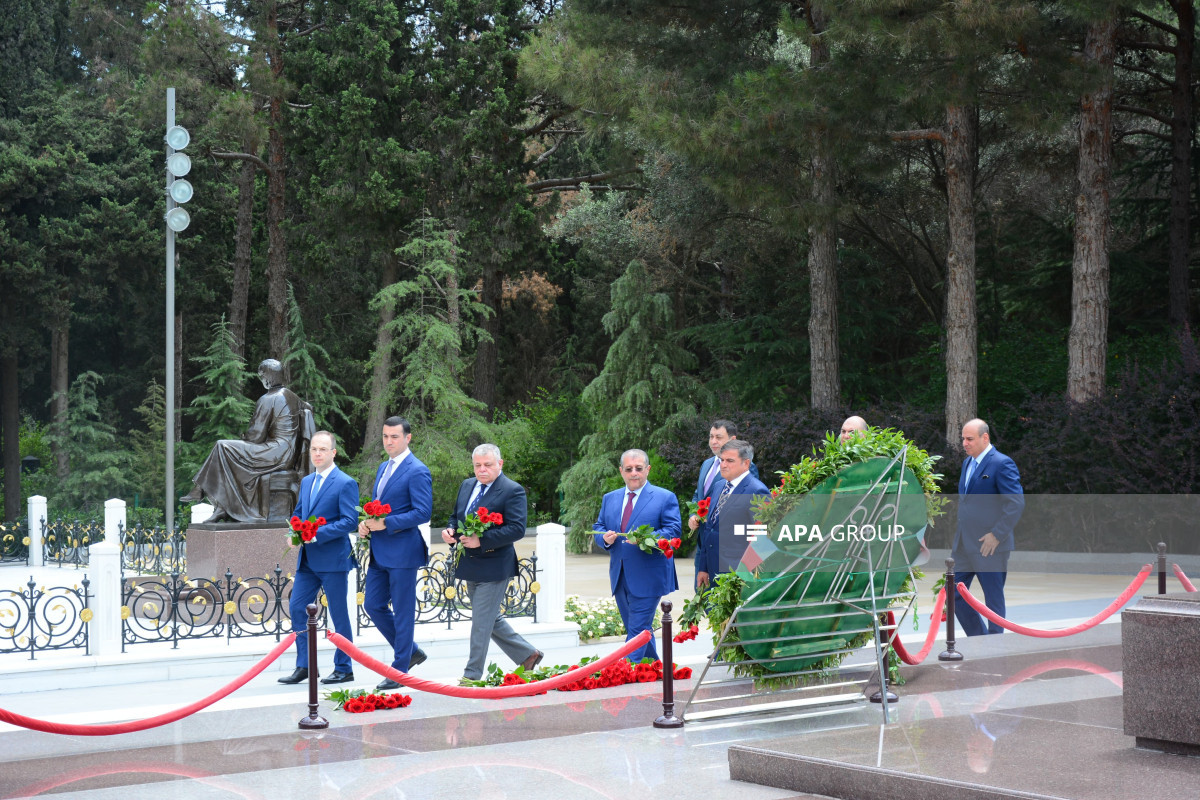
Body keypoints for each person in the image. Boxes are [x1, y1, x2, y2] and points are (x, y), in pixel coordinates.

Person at [440, 444, 543, 685]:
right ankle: (528, 654)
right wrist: (451, 531)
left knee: (480, 622)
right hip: (469, 563)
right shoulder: (467, 485)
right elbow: (456, 515)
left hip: (496, 565)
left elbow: (517, 529)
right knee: (487, 618)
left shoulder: (512, 490)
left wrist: (482, 540)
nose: (482, 470)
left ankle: (471, 675)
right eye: (478, 465)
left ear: (500, 464)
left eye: (487, 464)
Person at [180, 358, 313, 522]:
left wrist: (244, 438)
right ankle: (219, 505)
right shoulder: (293, 397)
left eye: (262, 376)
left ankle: (206, 493)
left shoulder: (268, 398)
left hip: (275, 453)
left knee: (222, 446)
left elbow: (255, 437)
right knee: (227, 452)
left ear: (268, 377)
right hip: (287, 454)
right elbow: (308, 410)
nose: (262, 380)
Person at [278, 431, 359, 685]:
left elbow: (349, 521)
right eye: (314, 449)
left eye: (323, 449)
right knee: (296, 607)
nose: (317, 453)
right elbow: (299, 514)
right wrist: (294, 532)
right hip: (308, 561)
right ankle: (305, 666)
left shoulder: (345, 482)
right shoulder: (306, 482)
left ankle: (344, 668)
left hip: (333, 559)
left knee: (338, 613)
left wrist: (315, 534)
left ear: (333, 452)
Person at [360, 416, 432, 689]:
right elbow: (380, 506)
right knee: (372, 605)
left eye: (395, 437)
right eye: (386, 436)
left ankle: (400, 669)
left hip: (403, 551)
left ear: (408, 438)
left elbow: (423, 512)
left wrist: (386, 523)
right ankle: (411, 650)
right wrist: (366, 523)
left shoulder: (417, 470)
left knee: (402, 612)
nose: (389, 442)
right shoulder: (382, 467)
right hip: (380, 550)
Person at [593, 449, 680, 662]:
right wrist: (605, 539)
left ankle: (622, 672)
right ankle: (654, 667)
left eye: (639, 469)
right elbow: (599, 527)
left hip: (650, 576)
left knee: (636, 630)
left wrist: (644, 538)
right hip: (620, 575)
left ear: (647, 470)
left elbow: (673, 531)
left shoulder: (664, 497)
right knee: (640, 630)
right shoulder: (610, 498)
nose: (634, 473)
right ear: (621, 471)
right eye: (629, 469)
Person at [952, 418, 1025, 636]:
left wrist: (997, 535)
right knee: (954, 593)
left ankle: (994, 647)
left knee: (993, 600)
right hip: (964, 545)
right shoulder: (968, 463)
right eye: (963, 439)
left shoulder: (1002, 463)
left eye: (969, 439)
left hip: (990, 546)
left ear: (985, 438)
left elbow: (1015, 503)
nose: (965, 443)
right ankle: (979, 639)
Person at [692, 440, 770, 589]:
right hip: (713, 574)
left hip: (737, 578)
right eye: (722, 460)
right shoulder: (719, 486)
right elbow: (710, 528)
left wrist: (743, 575)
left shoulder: (757, 491)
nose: (723, 464)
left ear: (746, 464)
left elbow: (763, 539)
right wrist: (704, 567)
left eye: (730, 461)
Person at [689, 419, 760, 526]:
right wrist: (693, 516)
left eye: (718, 437)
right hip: (703, 538)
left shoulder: (744, 467)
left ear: (732, 440)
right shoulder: (706, 464)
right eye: (711, 436)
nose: (713, 441)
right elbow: (698, 495)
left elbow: (748, 503)